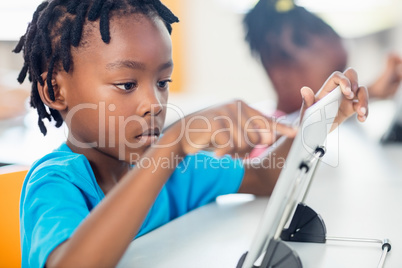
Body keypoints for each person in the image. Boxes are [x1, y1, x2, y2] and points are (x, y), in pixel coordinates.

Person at [15, 0, 368, 267]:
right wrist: (172, 143)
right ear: (54, 90)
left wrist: (317, 122)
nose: (154, 103)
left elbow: (267, 177)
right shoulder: (55, 183)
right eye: (126, 84)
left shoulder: (181, 172)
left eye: (162, 82)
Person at [243, 0, 402, 116]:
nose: (345, 89)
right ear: (280, 75)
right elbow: (303, 128)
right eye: (333, 80)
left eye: (344, 81)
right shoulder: (267, 140)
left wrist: (374, 91)